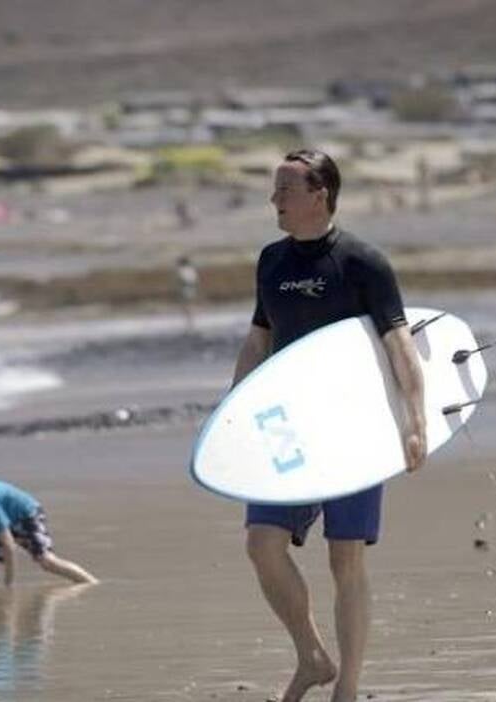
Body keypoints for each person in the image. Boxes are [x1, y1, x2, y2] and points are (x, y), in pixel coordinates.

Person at [234, 149, 426, 702]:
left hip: (353, 428)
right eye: (275, 191)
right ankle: (312, 656)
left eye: (284, 191)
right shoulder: (271, 261)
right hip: (287, 425)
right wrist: (235, 409)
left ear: (320, 194)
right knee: (261, 544)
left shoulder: (362, 261)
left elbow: (400, 345)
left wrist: (414, 422)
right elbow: (257, 340)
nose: (274, 201)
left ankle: (349, 686)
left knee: (346, 557)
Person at [0, 478, 98, 587]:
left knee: (47, 561)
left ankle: (90, 582)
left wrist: (9, 587)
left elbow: (9, 547)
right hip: (2, 517)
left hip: (26, 514)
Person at [175, 255, 199, 333]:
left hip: (186, 289)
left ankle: (189, 321)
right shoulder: (190, 269)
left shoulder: (184, 270)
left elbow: (183, 280)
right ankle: (190, 321)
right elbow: (195, 280)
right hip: (189, 288)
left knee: (187, 305)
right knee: (188, 305)